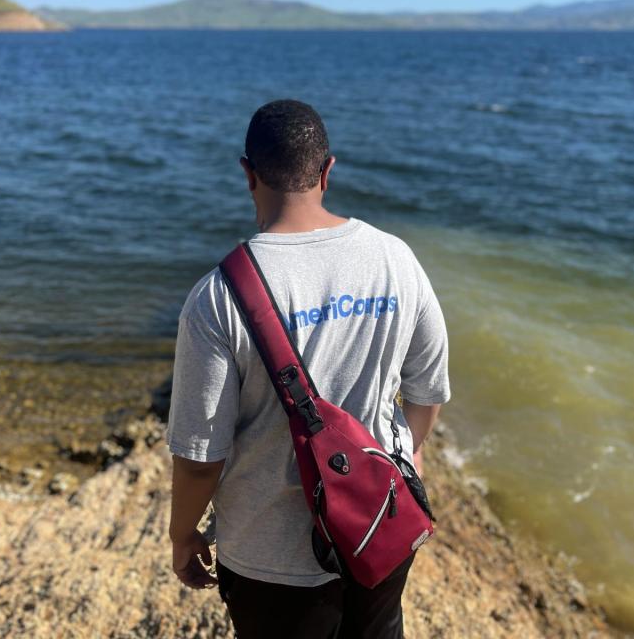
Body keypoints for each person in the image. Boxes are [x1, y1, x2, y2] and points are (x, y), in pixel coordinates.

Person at [166, 99, 450, 639]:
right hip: (380, 526)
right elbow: (428, 391)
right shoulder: (396, 259)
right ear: (327, 171)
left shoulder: (218, 297)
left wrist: (184, 535)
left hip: (268, 555)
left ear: (247, 174)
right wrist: (404, 458)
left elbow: (202, 456)